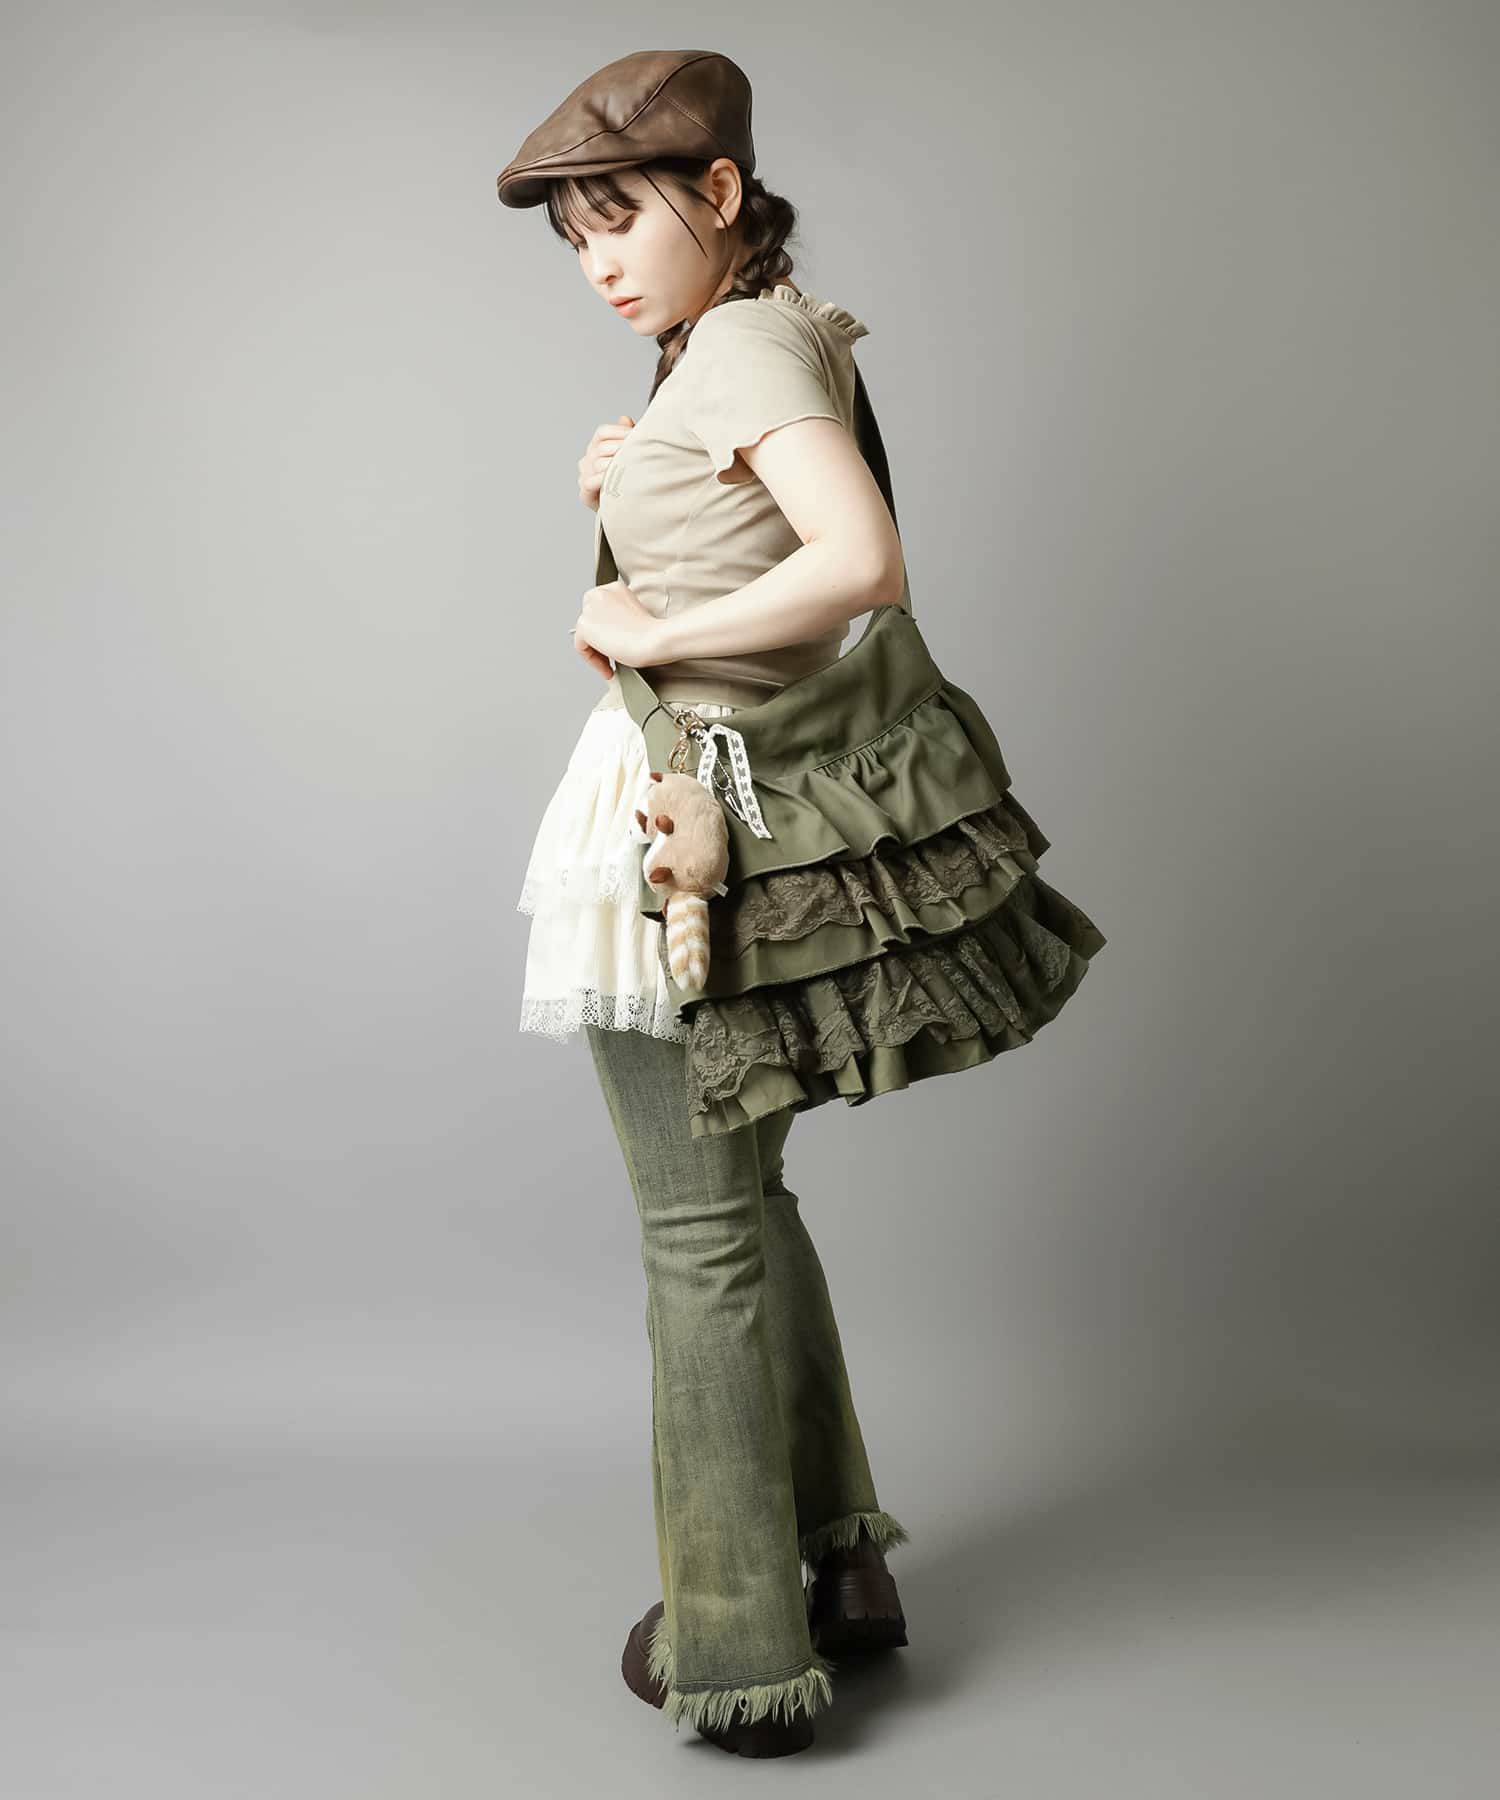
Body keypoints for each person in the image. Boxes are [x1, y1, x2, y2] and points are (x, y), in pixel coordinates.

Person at [499, 51, 915, 1758]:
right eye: (577, 236)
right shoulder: (749, 337)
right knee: (746, 1199)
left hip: (681, 815)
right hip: (726, 812)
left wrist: (648, 628)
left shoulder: (737, 347)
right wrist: (634, 473)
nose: (598, 259)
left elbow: (860, 562)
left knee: (698, 1233)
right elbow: (760, 534)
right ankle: (840, 1565)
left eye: (621, 218)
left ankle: (735, 1640)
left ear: (721, 192)